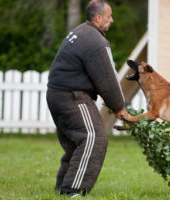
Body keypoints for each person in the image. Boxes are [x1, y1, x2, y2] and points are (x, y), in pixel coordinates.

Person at [46, 0, 130, 197]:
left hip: (56, 95)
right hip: (72, 96)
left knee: (76, 143)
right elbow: (108, 80)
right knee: (94, 137)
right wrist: (119, 107)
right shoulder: (97, 42)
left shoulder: (79, 32)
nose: (112, 19)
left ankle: (62, 187)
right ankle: (72, 190)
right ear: (98, 17)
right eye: (109, 16)